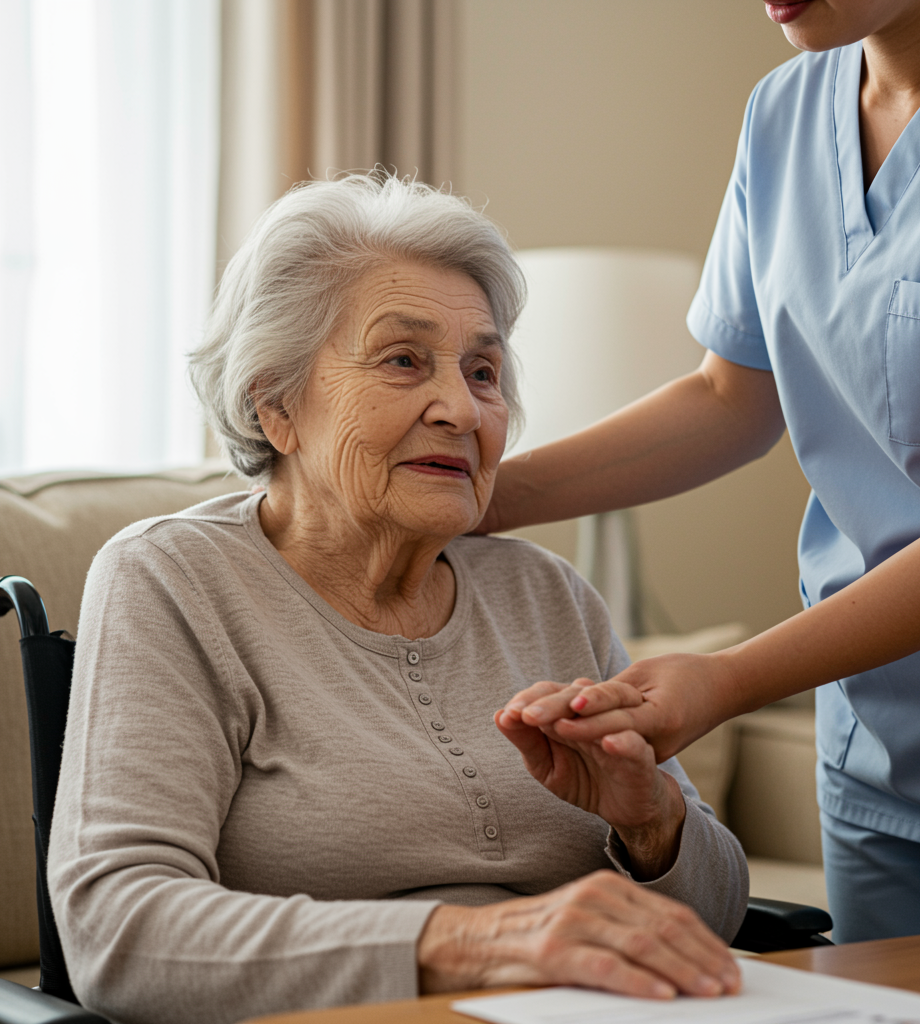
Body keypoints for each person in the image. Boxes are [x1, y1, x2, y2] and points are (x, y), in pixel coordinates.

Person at [47, 174, 745, 1024]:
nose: (462, 409)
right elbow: (117, 930)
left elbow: (721, 915)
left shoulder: (547, 593)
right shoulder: (174, 579)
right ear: (275, 405)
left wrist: (656, 826)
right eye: (404, 360)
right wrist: (472, 945)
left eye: (483, 372)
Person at [487, 0, 920, 944]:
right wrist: (485, 497)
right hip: (872, 734)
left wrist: (727, 680)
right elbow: (731, 397)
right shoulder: (786, 110)